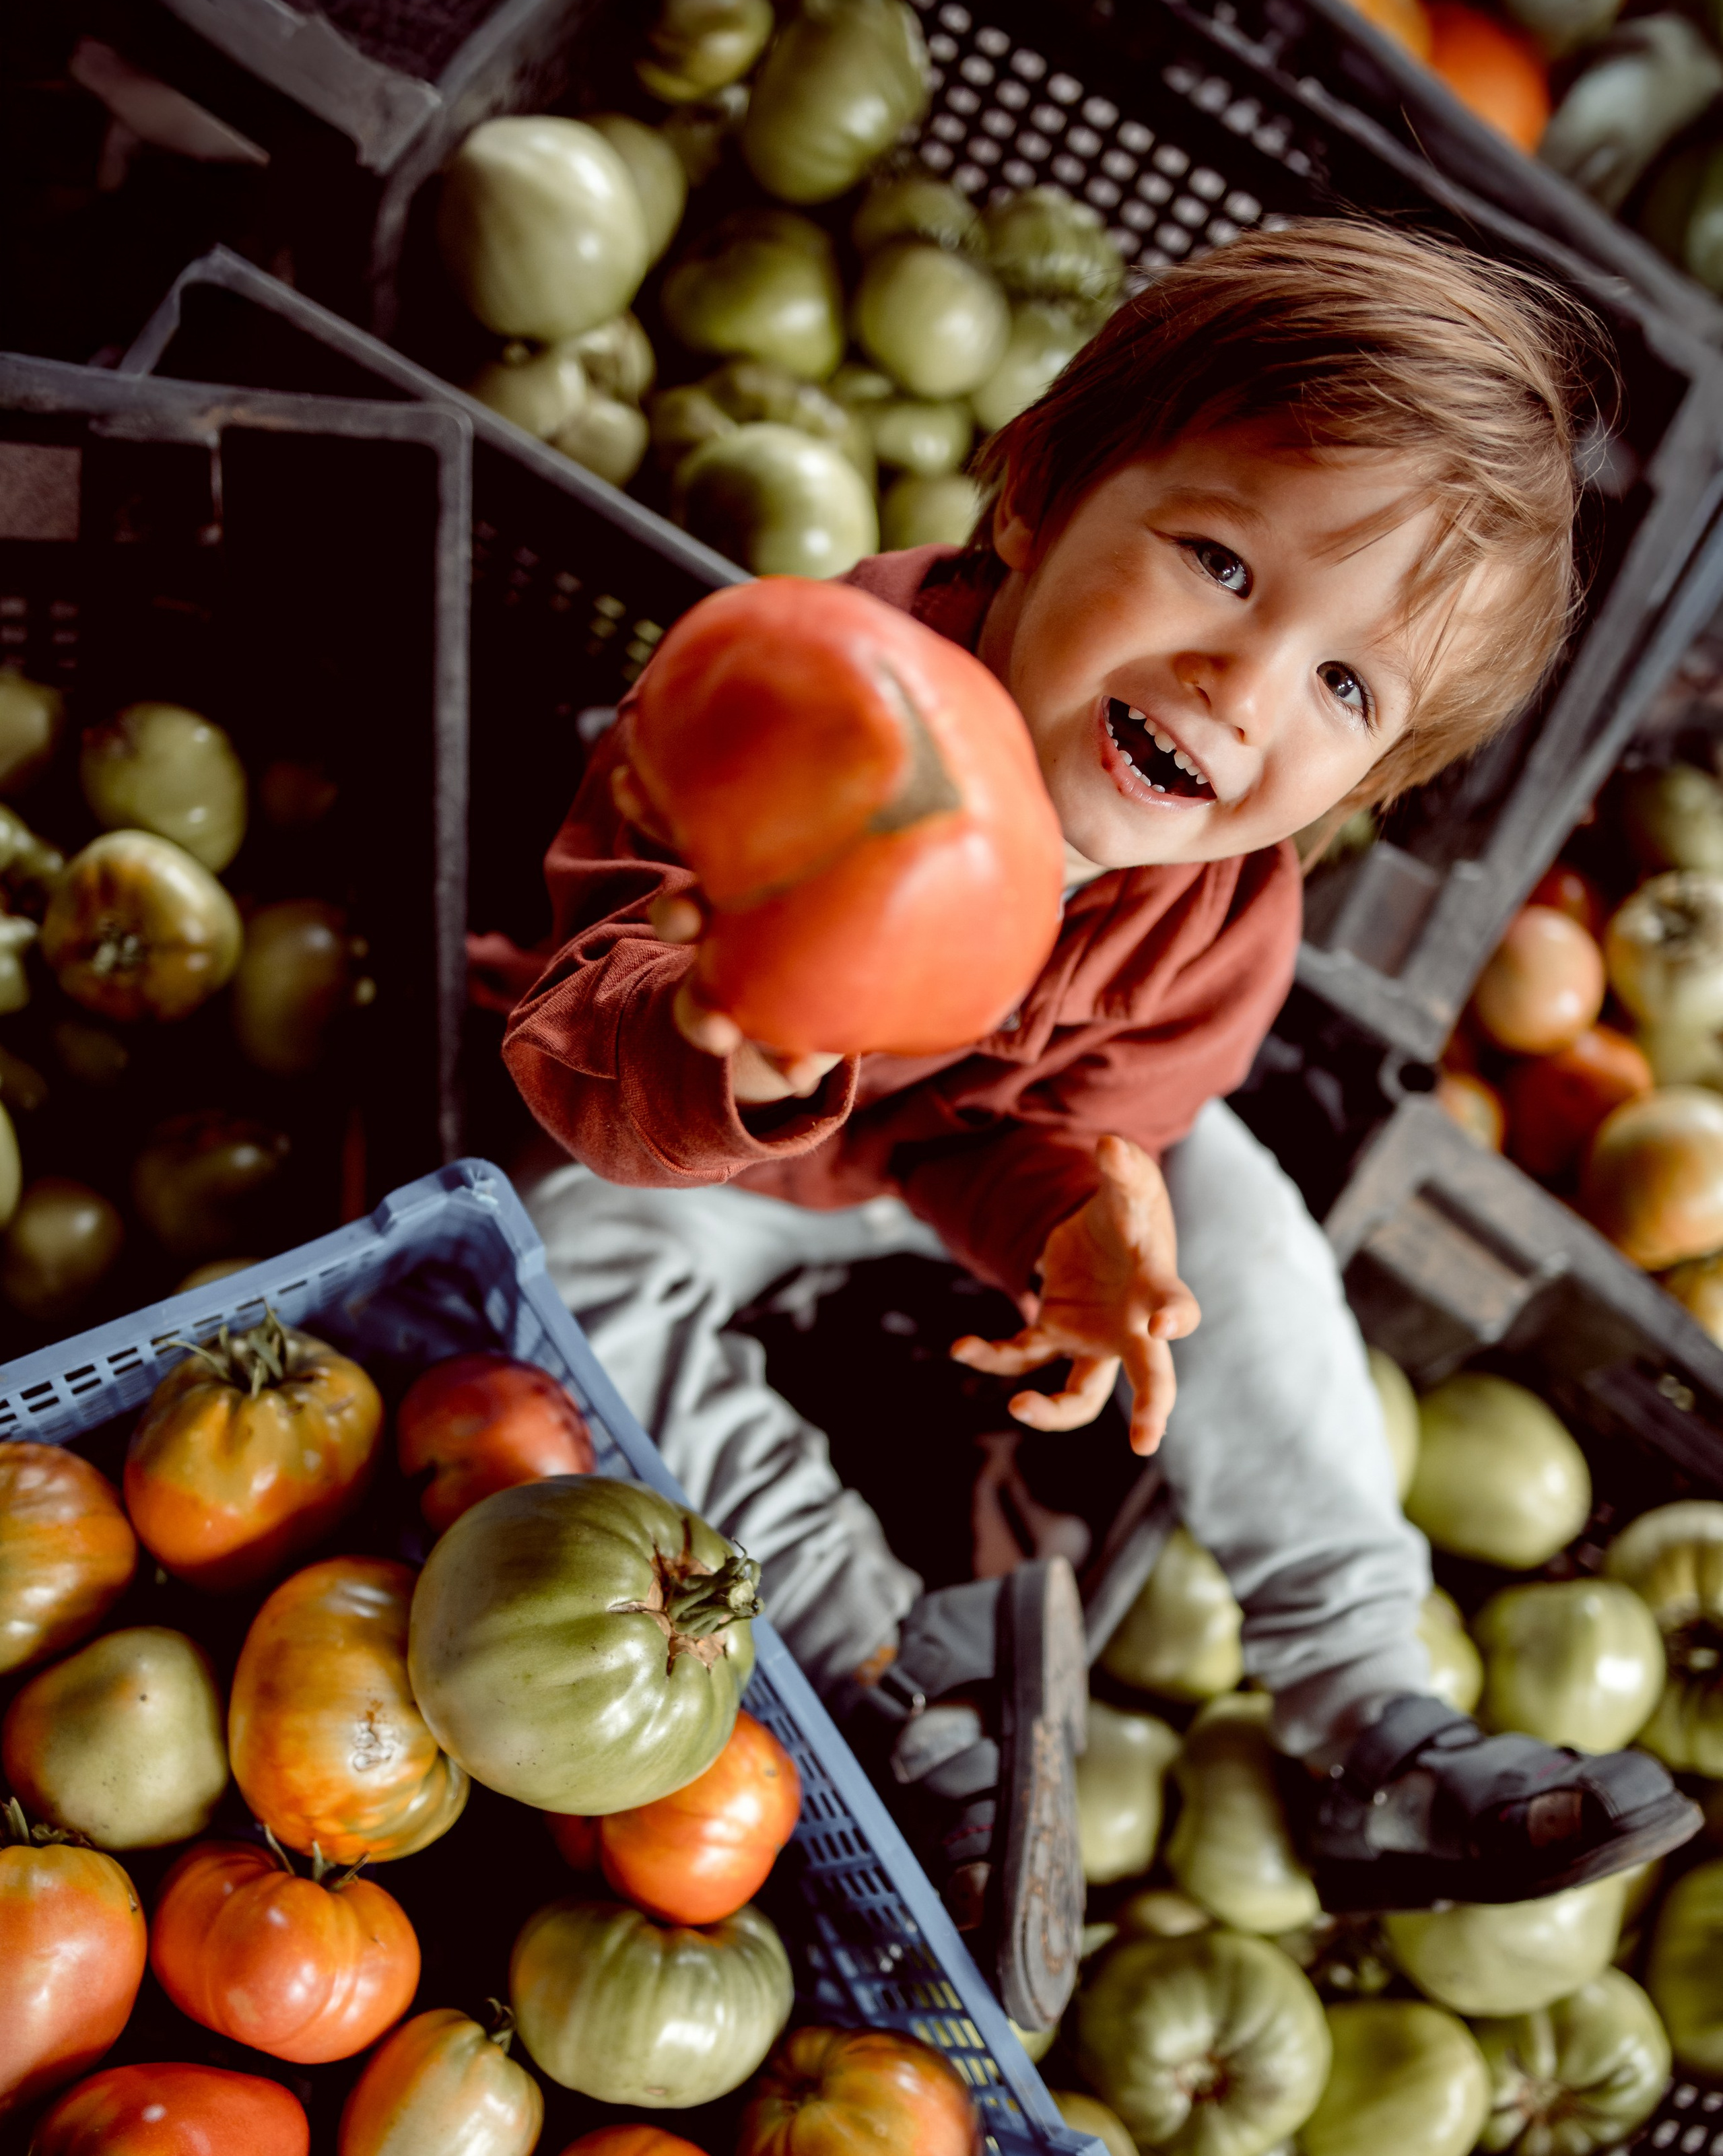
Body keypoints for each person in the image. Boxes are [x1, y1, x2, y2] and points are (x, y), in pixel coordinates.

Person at [501, 221, 1701, 2032]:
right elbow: (562, 1036)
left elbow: (1013, 1131)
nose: (1243, 684)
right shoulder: (805, 698)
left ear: (1364, 791)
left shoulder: (1225, 916)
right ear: (1036, 490)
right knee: (567, 1255)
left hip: (938, 1155)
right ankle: (884, 1649)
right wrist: (716, 1039)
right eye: (1219, 561)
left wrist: (1076, 1220)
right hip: (710, 1139)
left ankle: (1369, 1704)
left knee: (1244, 1233)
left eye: (1345, 689)